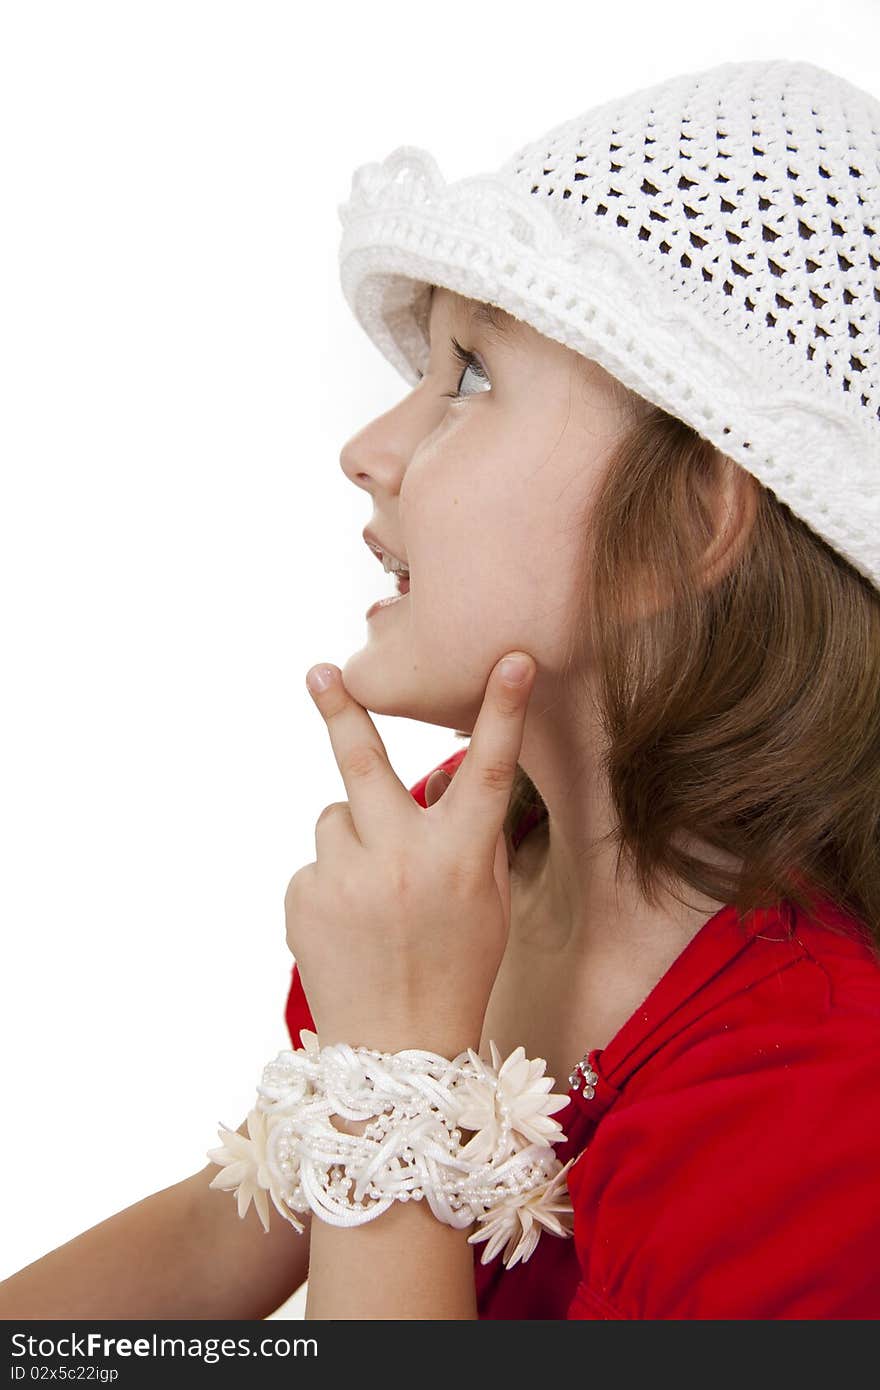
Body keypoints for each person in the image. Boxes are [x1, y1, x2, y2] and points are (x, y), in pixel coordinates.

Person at [3, 55, 879, 1323]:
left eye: (469, 375)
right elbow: (227, 1231)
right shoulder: (456, 875)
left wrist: (399, 1062)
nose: (369, 450)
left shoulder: (819, 1105)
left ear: (692, 521)